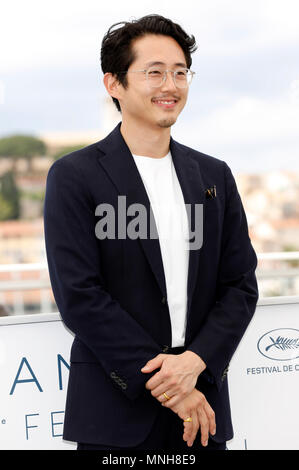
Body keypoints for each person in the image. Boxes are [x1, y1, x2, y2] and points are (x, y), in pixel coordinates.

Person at [43, 14, 259, 451]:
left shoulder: (214, 175)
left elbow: (240, 286)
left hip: (202, 411)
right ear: (114, 84)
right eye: (154, 72)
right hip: (115, 413)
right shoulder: (74, 176)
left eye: (181, 73)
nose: (171, 85)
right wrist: (172, 385)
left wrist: (195, 363)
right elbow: (80, 296)